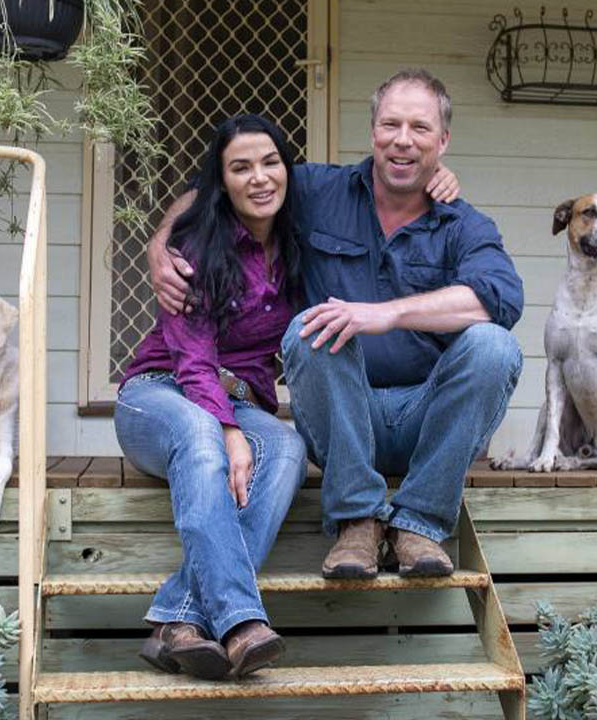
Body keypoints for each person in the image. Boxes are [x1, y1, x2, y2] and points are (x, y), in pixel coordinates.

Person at [149, 69, 523, 582]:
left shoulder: (464, 224)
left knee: (494, 346)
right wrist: (160, 242)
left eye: (420, 128)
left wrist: (384, 313)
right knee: (311, 325)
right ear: (373, 132)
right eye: (391, 124)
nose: (403, 140)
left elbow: (500, 297)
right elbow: (219, 188)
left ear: (443, 141)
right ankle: (357, 521)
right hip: (342, 419)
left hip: (427, 420)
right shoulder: (320, 192)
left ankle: (419, 524)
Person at [115, 114, 305, 680]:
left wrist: (440, 177)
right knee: (203, 438)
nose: (260, 178)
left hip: (241, 402)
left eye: (270, 163)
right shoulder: (195, 246)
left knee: (288, 450)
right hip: (159, 394)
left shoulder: (299, 245)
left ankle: (179, 619)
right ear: (221, 182)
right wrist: (228, 433)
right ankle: (241, 623)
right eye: (240, 167)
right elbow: (193, 360)